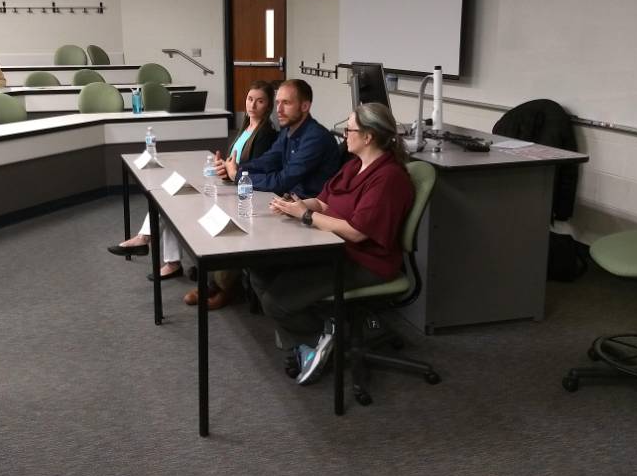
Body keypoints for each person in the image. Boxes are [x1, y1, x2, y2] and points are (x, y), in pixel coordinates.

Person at [252, 103, 414, 385]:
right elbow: (324, 200)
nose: (344, 135)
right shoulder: (354, 165)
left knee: (276, 302)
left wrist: (305, 215)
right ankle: (308, 337)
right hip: (332, 245)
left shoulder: (388, 178)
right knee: (259, 268)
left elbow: (357, 233)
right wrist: (297, 205)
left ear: (368, 137)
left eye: (349, 130)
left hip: (364, 261)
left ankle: (319, 338)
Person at [108, 81, 278, 285]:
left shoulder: (266, 134)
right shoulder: (246, 127)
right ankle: (162, 253)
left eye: (260, 101)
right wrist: (222, 164)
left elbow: (252, 169)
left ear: (268, 106)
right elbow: (234, 162)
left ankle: (148, 242)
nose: (253, 105)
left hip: (240, 194)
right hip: (227, 182)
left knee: (176, 198)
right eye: (250, 99)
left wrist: (229, 169)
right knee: (171, 196)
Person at [222, 78, 339, 197]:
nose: (279, 110)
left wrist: (237, 176)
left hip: (310, 205)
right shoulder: (287, 130)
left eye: (286, 103)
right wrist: (235, 168)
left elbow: (282, 181)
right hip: (290, 200)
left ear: (305, 106)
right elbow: (267, 162)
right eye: (278, 103)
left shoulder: (316, 138)